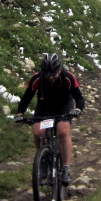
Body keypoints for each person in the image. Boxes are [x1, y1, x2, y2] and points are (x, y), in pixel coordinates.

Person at [15, 53, 85, 185]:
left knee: (63, 131)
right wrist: (20, 113)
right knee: (38, 133)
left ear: (59, 70)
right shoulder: (37, 78)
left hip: (64, 106)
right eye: (47, 75)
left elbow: (79, 98)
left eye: (53, 74)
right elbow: (26, 98)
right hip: (44, 107)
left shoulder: (68, 77)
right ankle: (43, 160)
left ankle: (65, 168)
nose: (51, 78)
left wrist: (77, 109)